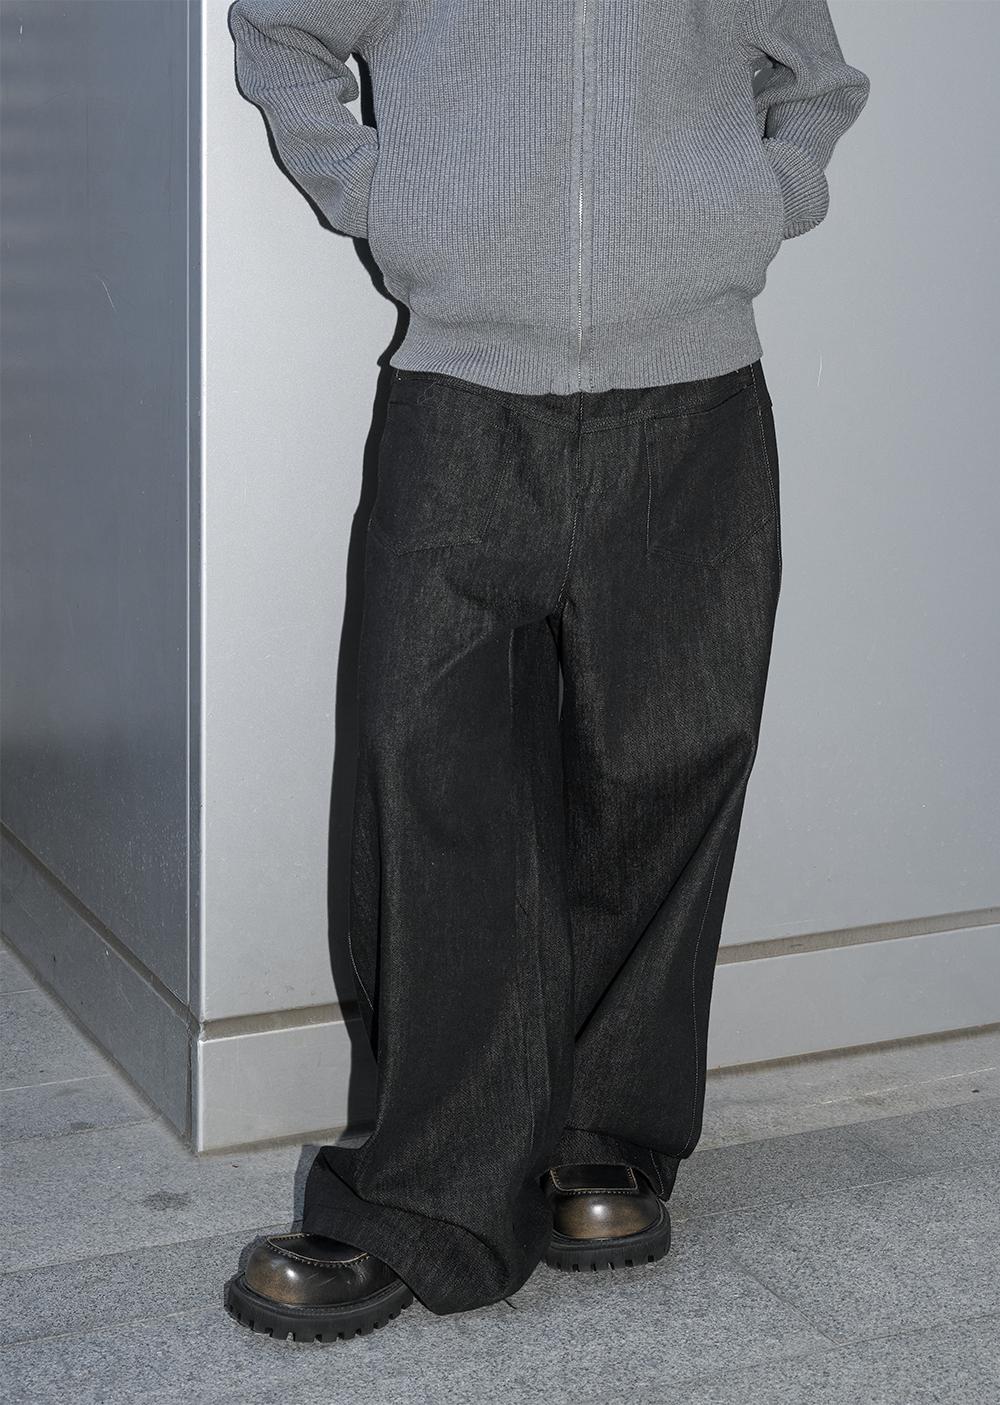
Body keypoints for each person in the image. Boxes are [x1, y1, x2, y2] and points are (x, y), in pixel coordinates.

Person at [225, 0, 868, 1343]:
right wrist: (386, 200)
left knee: (667, 764)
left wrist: (755, 204)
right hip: (463, 401)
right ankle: (425, 1198)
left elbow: (817, 80)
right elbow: (279, 30)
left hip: (693, 399)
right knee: (431, 782)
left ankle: (605, 1138)